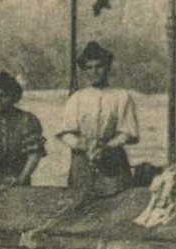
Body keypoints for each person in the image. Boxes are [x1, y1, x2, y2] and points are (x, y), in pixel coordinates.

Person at [54, 41, 141, 196]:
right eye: (89, 68)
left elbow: (127, 133)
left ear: (107, 67)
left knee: (115, 204)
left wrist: (107, 147)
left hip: (113, 161)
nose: (94, 71)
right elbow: (65, 132)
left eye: (99, 66)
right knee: (81, 204)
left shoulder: (121, 96)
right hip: (83, 160)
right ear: (84, 71)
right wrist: (82, 144)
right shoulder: (77, 98)